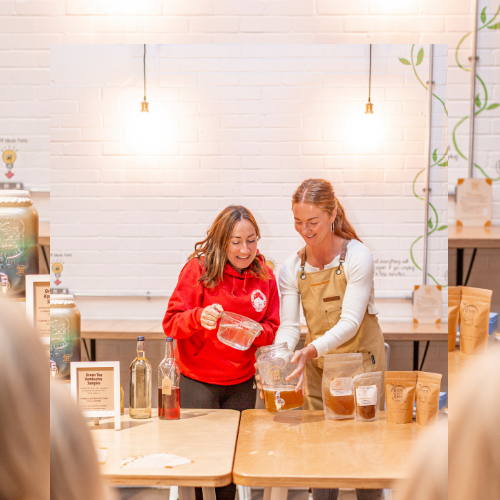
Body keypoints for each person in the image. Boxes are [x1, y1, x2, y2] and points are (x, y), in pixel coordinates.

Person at [275, 179, 386, 500]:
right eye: (297, 221)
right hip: (320, 369)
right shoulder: (292, 267)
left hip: (361, 363)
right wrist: (280, 356)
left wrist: (309, 350)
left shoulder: (357, 256)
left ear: (332, 213)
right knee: (321, 452)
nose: (304, 230)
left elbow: (350, 322)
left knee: (366, 453)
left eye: (313, 222)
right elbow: (290, 326)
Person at [163, 205, 280, 500]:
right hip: (198, 382)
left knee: (232, 465)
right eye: (236, 241)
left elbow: (271, 329)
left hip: (241, 384)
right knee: (203, 464)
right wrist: (198, 316)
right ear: (221, 240)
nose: (245, 249)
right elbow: (171, 323)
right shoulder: (198, 270)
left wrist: (253, 331)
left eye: (251, 240)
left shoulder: (265, 276)